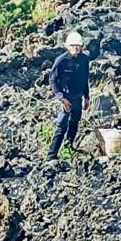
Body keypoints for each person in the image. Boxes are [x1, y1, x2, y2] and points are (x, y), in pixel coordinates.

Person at [46, 31, 90, 161]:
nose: (76, 48)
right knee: (61, 125)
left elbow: (85, 79)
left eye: (78, 46)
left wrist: (87, 97)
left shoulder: (84, 60)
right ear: (68, 46)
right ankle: (51, 155)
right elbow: (52, 80)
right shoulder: (61, 60)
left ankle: (69, 146)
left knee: (74, 122)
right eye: (73, 46)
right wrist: (61, 97)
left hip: (78, 97)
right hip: (66, 98)